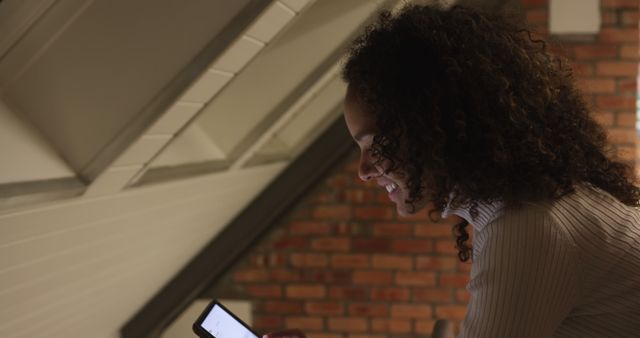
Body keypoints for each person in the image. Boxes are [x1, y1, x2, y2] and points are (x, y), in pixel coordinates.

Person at [264, 2, 640, 338]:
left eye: (376, 145)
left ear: (435, 128)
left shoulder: (529, 229)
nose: (364, 171)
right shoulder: (555, 196)